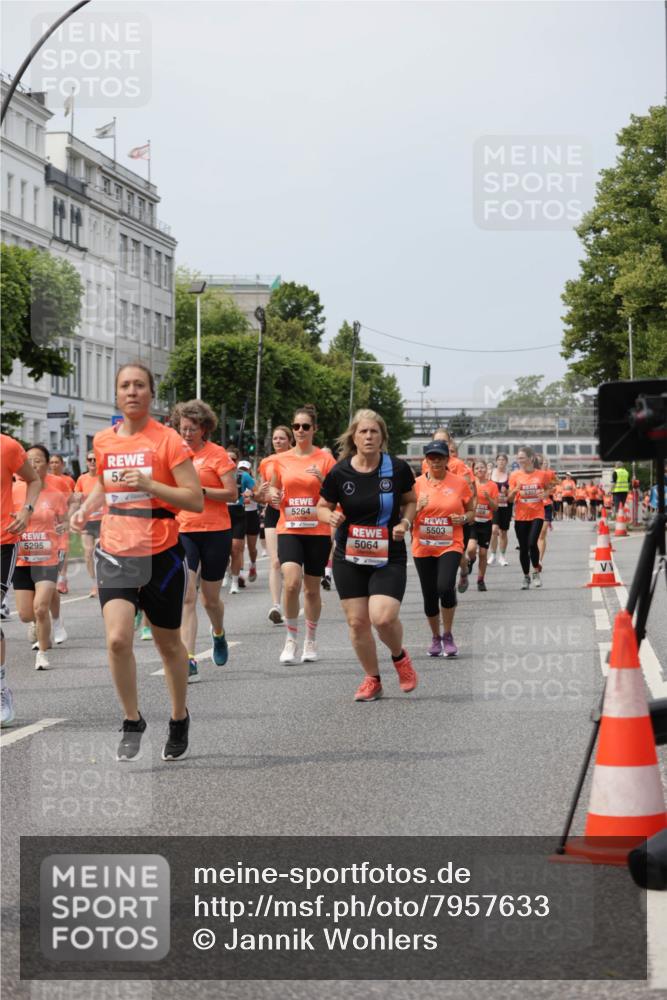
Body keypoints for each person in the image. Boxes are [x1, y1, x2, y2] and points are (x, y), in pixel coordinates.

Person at [71, 363, 203, 763]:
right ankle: (132, 719)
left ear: (151, 393)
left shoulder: (168, 442)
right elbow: (102, 485)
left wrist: (149, 485)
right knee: (116, 639)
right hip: (114, 550)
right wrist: (86, 508)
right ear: (116, 394)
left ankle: (179, 717)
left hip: (161, 552)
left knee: (168, 647)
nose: (132, 391)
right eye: (125, 386)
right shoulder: (104, 441)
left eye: (140, 385)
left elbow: (194, 499)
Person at [318, 409, 417, 698]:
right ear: (354, 437)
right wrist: (329, 517)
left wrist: (405, 522)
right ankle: (372, 679)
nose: (369, 436)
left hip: (389, 554)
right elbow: (321, 505)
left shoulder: (396, 469)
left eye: (374, 431)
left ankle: (400, 657)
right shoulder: (340, 471)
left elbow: (410, 500)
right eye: (363, 431)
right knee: (357, 621)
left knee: (382, 618)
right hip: (350, 555)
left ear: (383, 437)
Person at [172, 400, 237, 684]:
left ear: (204, 428)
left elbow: (231, 494)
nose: (186, 433)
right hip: (184, 530)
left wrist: (201, 490)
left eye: (192, 428)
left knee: (210, 600)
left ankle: (219, 633)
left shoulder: (218, 455)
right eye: (183, 428)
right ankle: (188, 658)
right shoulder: (174, 456)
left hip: (216, 531)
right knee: (187, 595)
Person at [271, 404, 336, 664]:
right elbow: (274, 492)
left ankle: (310, 639)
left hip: (317, 530)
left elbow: (335, 496)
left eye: (305, 426)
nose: (300, 430)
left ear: (314, 429)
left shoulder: (325, 459)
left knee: (311, 590)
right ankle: (290, 640)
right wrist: (273, 496)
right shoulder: (280, 460)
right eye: (296, 426)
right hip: (289, 528)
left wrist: (323, 480)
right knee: (291, 583)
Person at [412, 440, 473, 658]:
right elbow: (405, 515)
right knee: (429, 595)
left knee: (445, 585)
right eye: (431, 457)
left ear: (447, 460)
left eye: (440, 457)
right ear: (425, 461)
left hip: (450, 543)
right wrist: (416, 508)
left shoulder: (459, 483)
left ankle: (448, 634)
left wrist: (464, 517)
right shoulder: (416, 485)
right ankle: (435, 637)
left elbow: (472, 511)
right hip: (423, 546)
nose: (435, 461)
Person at [12, 445, 69, 670]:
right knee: (26, 614)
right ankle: (39, 624)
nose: (33, 464)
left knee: (41, 607)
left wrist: (60, 539)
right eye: (29, 461)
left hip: (47, 558)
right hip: (21, 559)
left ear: (47, 464)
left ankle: (43, 653)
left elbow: (64, 523)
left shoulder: (55, 494)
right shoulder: (14, 490)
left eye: (38, 460)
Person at [0, 434, 41, 725]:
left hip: (2, 540)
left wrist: (27, 510)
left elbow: (34, 480)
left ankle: (1, 689)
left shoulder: (8, 446)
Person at [256, 425, 294, 624]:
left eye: (281, 438)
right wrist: (260, 494)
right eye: (275, 438)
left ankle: (291, 602)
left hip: (294, 513)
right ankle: (275, 606)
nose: (277, 441)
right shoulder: (266, 462)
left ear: (289, 440)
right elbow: (261, 495)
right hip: (273, 512)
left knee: (290, 564)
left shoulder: (296, 460)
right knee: (275, 561)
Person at [508, 446, 548, 589]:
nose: (520, 461)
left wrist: (546, 494)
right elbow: (509, 499)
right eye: (518, 458)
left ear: (531, 458)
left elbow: (550, 487)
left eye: (522, 458)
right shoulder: (514, 475)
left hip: (537, 513)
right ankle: (526, 576)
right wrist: (514, 491)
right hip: (521, 516)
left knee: (532, 543)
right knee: (524, 548)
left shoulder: (542, 475)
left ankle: (536, 571)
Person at [74, 451, 106, 597]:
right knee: (88, 554)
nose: (92, 462)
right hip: (87, 522)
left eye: (95, 459)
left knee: (99, 552)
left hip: (102, 520)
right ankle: (94, 583)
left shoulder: (103, 478)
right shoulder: (81, 479)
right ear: (86, 462)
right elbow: (75, 498)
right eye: (90, 459)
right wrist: (77, 497)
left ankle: (102, 581)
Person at [467, 459, 498, 591]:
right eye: (477, 468)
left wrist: (489, 498)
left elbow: (495, 507)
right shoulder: (471, 485)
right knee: (471, 549)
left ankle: (480, 580)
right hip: (473, 522)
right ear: (473, 471)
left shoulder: (492, 486)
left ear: (486, 469)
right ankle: (471, 560)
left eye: (482, 468)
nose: (480, 470)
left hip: (486, 522)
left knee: (484, 553)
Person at [226, 448, 254, 594]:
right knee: (224, 549)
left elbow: (257, 490)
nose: (230, 461)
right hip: (222, 515)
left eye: (233, 459)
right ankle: (225, 572)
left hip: (238, 514)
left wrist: (251, 493)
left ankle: (235, 582)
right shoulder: (217, 473)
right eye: (227, 458)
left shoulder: (243, 476)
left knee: (236, 548)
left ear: (237, 461)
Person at [48, 453, 75, 594]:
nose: (54, 465)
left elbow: (72, 501)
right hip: (48, 522)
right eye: (51, 462)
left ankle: (62, 579)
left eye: (56, 462)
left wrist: (67, 518)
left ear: (62, 464)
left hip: (62, 521)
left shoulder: (67, 481)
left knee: (63, 549)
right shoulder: (42, 480)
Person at [488, 452, 511, 567]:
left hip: (505, 506)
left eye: (503, 460)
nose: (501, 462)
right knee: (494, 530)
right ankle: (492, 554)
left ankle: (502, 555)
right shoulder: (490, 473)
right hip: (494, 505)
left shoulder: (509, 475)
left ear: (506, 462)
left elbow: (512, 493)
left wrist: (507, 491)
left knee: (503, 532)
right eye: (499, 460)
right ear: (496, 461)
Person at [238, 460, 260, 583]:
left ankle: (253, 565)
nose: (243, 471)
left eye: (245, 469)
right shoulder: (234, 481)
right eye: (241, 469)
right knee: (239, 547)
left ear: (249, 470)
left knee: (252, 547)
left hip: (251, 515)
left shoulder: (253, 482)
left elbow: (260, 496)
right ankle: (240, 573)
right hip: (239, 514)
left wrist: (251, 494)